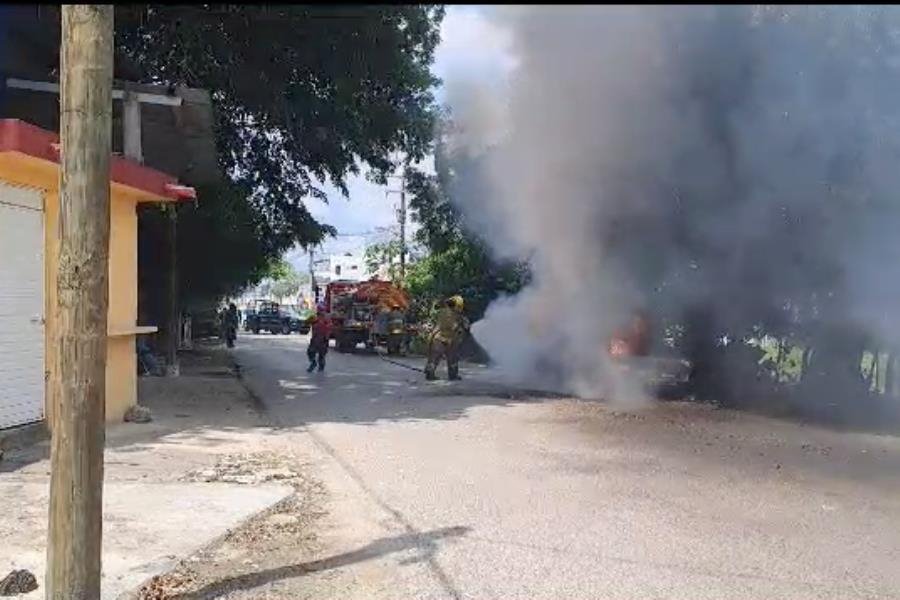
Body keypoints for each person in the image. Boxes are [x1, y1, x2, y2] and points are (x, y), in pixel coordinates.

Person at [425, 295, 469, 381]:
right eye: (459, 307)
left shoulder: (449, 312)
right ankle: (435, 373)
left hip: (446, 340)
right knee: (438, 358)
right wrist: (462, 326)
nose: (460, 309)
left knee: (450, 358)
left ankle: (431, 373)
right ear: (456, 305)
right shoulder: (448, 313)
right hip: (442, 339)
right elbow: (453, 327)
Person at [307, 307, 333, 373]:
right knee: (310, 352)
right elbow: (307, 322)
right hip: (315, 339)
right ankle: (313, 363)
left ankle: (321, 368)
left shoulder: (327, 320)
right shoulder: (314, 319)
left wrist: (326, 338)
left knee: (321, 355)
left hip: (323, 340)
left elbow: (329, 329)